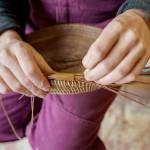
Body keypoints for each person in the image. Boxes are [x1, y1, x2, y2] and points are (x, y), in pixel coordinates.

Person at [0, 0, 149, 150]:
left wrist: (143, 12)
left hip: (104, 43)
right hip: (28, 33)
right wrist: (4, 30)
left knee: (58, 145)